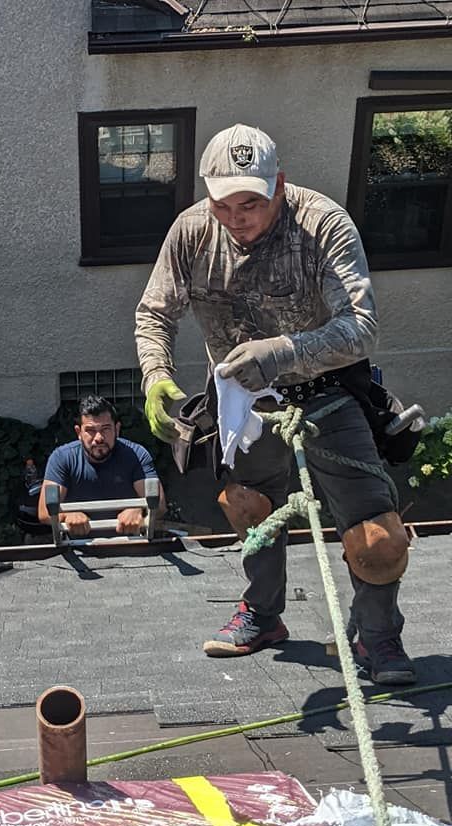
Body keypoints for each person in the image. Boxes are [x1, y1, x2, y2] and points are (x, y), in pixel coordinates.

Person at [135, 122, 415, 685]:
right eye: (222, 204)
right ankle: (263, 615)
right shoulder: (191, 233)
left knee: (379, 540)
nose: (236, 218)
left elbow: (362, 327)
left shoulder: (322, 225)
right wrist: (156, 377)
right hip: (242, 402)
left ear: (279, 187)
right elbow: (154, 312)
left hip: (328, 390)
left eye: (251, 203)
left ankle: (378, 637)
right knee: (245, 506)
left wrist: (285, 350)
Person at [38, 395, 165, 537]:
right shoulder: (62, 458)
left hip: (129, 544)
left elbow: (159, 505)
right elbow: (44, 512)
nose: (98, 437)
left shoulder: (136, 455)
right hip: (79, 548)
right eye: (90, 430)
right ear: (79, 433)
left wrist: (138, 510)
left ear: (117, 429)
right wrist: (67, 515)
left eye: (105, 429)